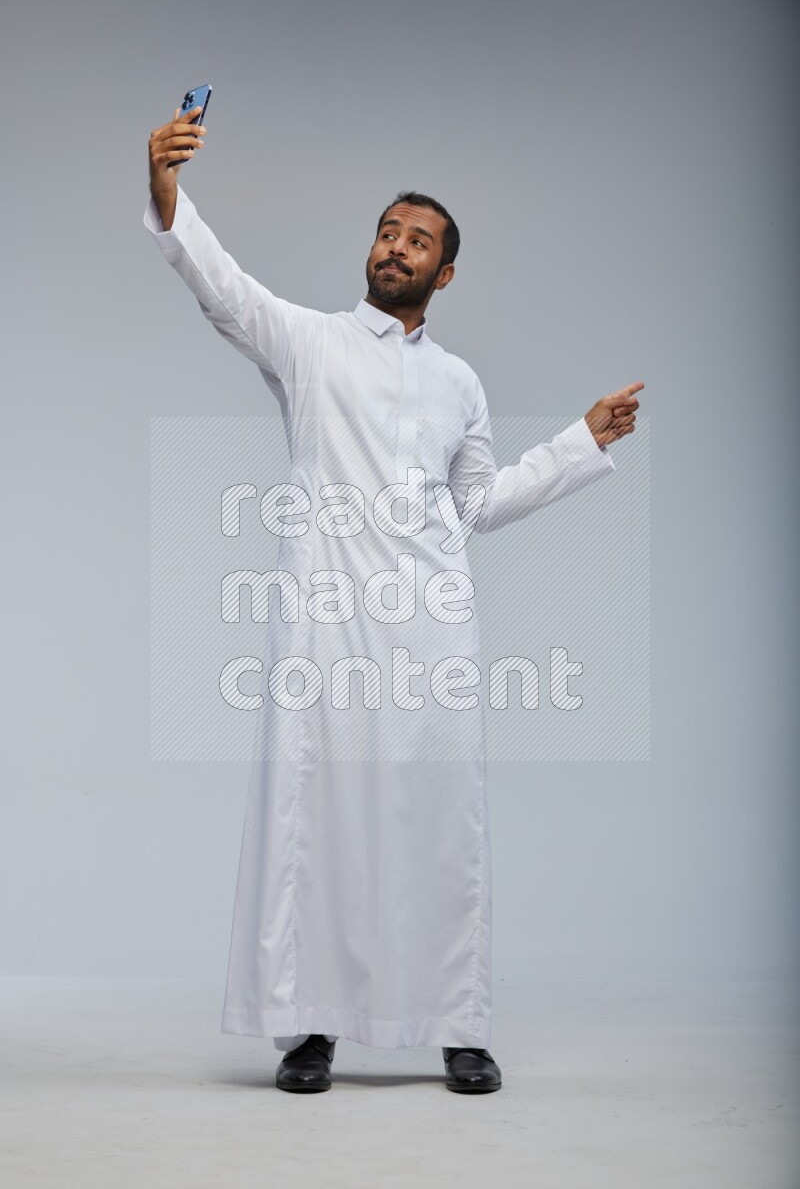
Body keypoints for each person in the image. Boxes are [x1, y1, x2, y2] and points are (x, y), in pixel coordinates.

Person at [145, 105, 642, 1096]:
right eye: (386, 230)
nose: (394, 247)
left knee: (438, 820)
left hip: (427, 629)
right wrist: (165, 191)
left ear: (443, 273)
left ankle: (456, 1026)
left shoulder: (459, 383)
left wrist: (581, 441)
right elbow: (221, 289)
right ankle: (311, 1027)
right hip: (324, 624)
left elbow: (477, 504)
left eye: (416, 240)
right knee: (316, 818)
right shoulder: (311, 345)